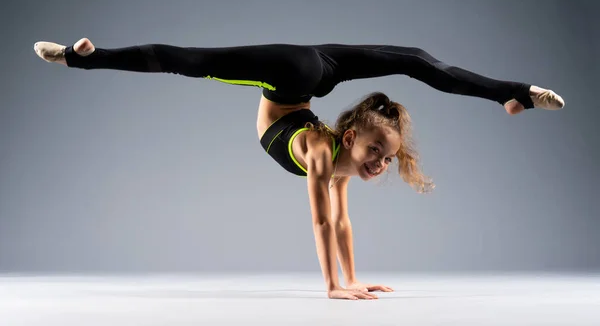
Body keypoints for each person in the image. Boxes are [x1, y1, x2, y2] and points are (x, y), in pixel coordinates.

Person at [33, 38, 565, 300]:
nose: (381, 164)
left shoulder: (339, 155)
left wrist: (355, 279)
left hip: (317, 71)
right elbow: (321, 222)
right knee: (187, 62)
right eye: (376, 153)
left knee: (417, 60)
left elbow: (344, 221)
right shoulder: (317, 150)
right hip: (291, 74)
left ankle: (515, 94)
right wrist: (333, 286)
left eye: (386, 156)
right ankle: (83, 56)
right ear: (350, 138)